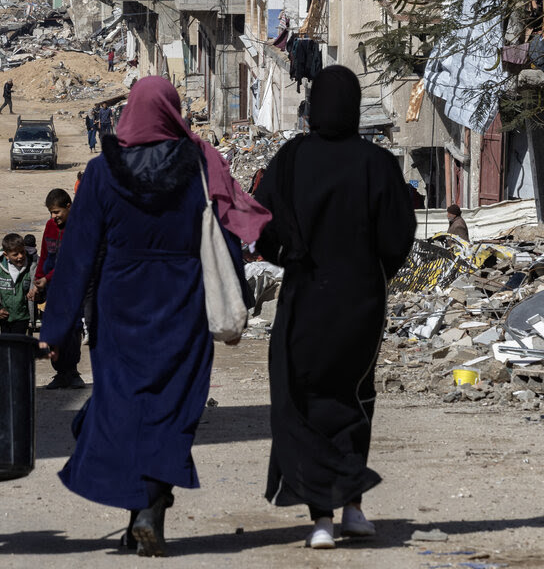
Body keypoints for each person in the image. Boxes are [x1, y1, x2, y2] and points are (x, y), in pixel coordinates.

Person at [38, 76, 269, 556]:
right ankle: (149, 510)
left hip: (120, 305)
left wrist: (56, 328)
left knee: (123, 407)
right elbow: (222, 236)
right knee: (171, 407)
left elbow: (78, 254)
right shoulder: (202, 165)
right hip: (182, 301)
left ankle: (140, 510)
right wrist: (237, 303)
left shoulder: (101, 172)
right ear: (172, 111)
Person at [254, 66, 416, 550]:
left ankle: (321, 517)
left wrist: (289, 257)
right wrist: (372, 274)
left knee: (305, 402)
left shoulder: (290, 160)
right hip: (361, 303)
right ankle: (354, 510)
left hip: (306, 299)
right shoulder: (378, 163)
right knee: (355, 396)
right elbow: (398, 237)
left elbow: (262, 227)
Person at [29, 188, 82, 390]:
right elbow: (44, 256)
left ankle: (72, 372)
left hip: (72, 289)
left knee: (71, 331)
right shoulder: (50, 227)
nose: (54, 217)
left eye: (57, 212)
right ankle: (60, 373)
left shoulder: (78, 228)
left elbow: (70, 262)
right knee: (53, 331)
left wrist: (47, 279)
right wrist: (37, 281)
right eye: (51, 212)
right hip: (51, 291)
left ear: (68, 207)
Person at [0, 233, 35, 335]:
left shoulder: (32, 267)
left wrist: (37, 294)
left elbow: (42, 290)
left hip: (23, 317)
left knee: (18, 347)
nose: (20, 256)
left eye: (22, 252)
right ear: (6, 255)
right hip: (5, 318)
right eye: (15, 254)